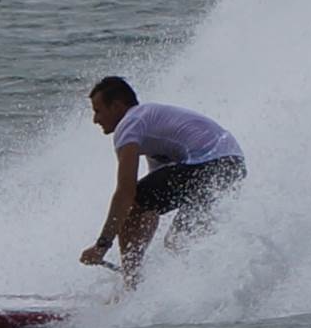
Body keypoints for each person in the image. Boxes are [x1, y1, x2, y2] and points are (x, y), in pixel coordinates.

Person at [79, 75, 246, 283]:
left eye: (98, 111)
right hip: (232, 168)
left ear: (116, 106)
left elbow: (126, 193)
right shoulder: (151, 129)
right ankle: (195, 289)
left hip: (211, 164)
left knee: (133, 204)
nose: (95, 119)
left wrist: (102, 245)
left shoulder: (130, 123)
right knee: (178, 242)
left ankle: (131, 286)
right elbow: (150, 208)